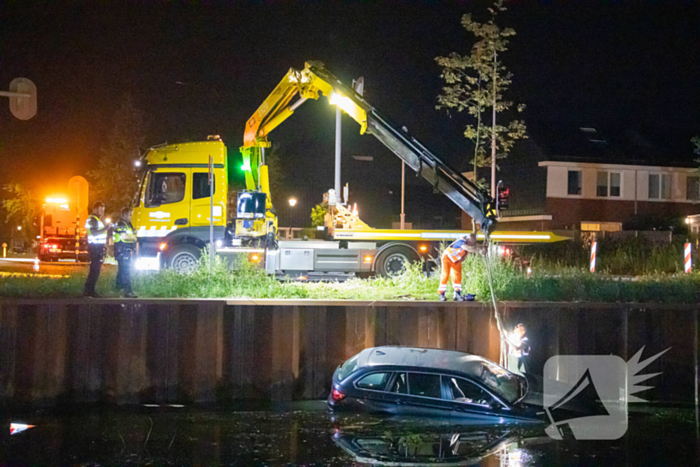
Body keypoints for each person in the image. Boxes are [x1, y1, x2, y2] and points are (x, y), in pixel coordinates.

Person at [438, 233, 480, 301]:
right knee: (445, 275)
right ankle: (441, 294)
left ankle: (457, 294)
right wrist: (479, 250)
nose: (472, 245)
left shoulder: (469, 243)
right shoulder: (461, 241)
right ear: (468, 240)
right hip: (447, 257)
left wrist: (482, 247)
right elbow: (467, 247)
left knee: (457, 276)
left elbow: (471, 248)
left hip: (456, 260)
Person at [83, 201, 109, 297]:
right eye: (101, 209)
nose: (102, 211)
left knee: (95, 270)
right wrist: (106, 228)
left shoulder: (96, 219)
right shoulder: (93, 219)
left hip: (97, 247)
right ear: (96, 209)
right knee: (94, 270)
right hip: (95, 248)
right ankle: (89, 290)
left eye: (103, 210)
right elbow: (94, 233)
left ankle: (90, 290)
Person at [113, 207, 138, 298]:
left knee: (121, 270)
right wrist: (134, 238)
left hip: (124, 250)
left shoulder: (127, 224)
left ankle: (118, 289)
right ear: (124, 214)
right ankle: (128, 291)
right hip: (122, 250)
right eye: (130, 215)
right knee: (126, 271)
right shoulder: (120, 224)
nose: (131, 217)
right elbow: (124, 236)